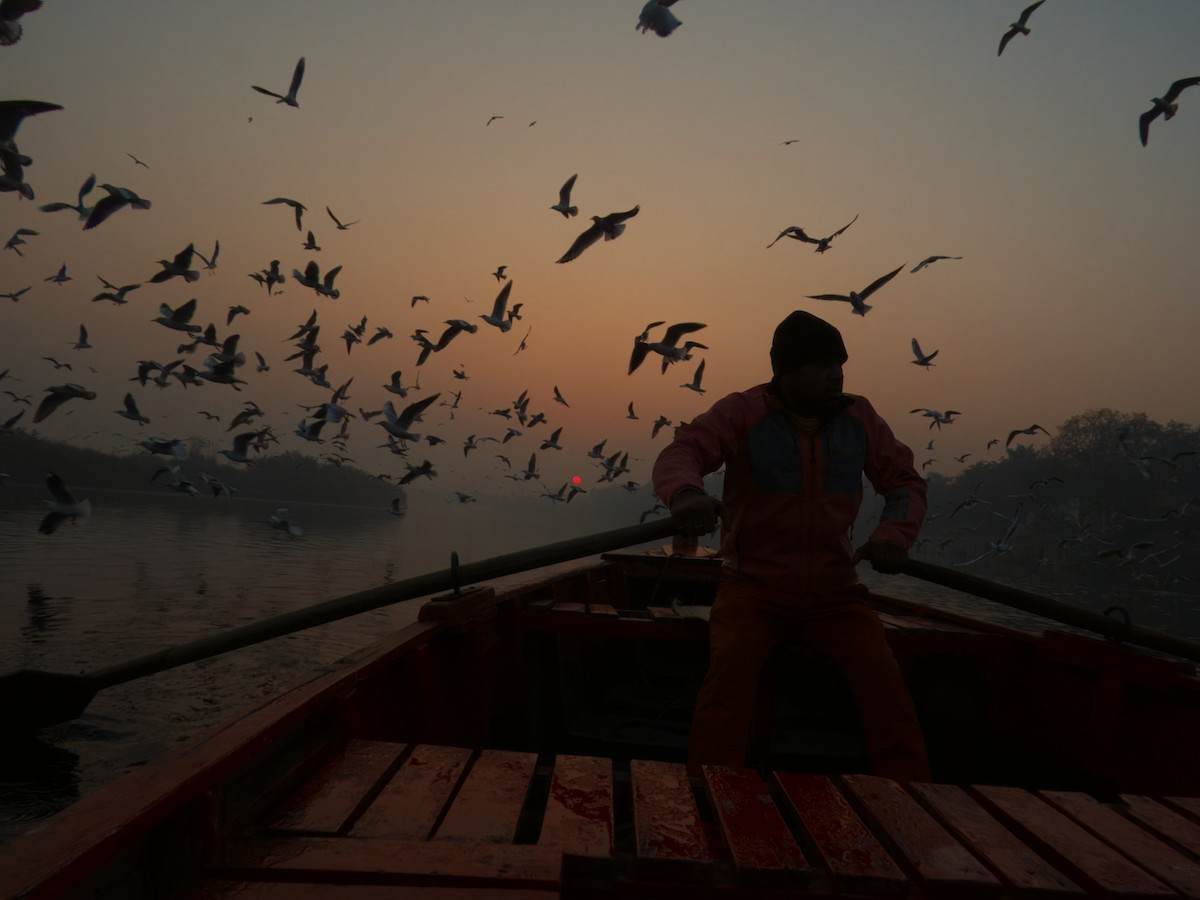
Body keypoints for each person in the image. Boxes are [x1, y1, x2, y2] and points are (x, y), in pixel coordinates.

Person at [652, 310, 931, 781]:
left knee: (885, 680)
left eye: (840, 362)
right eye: (823, 363)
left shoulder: (859, 418)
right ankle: (711, 793)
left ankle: (913, 799)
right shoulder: (742, 411)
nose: (836, 373)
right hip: (753, 590)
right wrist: (686, 494)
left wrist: (891, 537)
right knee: (729, 677)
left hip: (836, 596)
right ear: (786, 370)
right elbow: (684, 450)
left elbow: (904, 482)